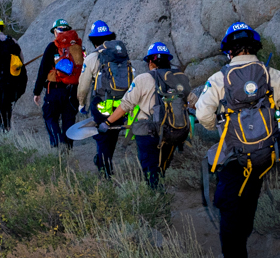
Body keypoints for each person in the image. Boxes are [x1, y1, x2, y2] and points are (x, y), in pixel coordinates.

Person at [195, 22, 280, 258]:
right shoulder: (272, 74)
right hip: (264, 156)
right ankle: (241, 246)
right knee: (249, 199)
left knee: (228, 208)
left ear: (229, 51)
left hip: (234, 156)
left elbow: (202, 114)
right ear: (254, 47)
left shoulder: (220, 78)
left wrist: (218, 129)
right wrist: (277, 129)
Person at [100, 41, 188, 189]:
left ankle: (156, 203)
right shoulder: (180, 78)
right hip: (173, 132)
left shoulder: (143, 79)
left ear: (151, 62)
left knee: (150, 173)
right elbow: (193, 101)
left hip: (148, 134)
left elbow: (126, 106)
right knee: (161, 169)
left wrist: (107, 123)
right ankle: (159, 195)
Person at [77, 20, 133, 176]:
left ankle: (105, 170)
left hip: (102, 105)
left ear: (93, 40)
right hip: (120, 105)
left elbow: (83, 86)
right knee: (112, 134)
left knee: (101, 137)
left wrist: (82, 104)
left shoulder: (92, 58)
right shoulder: (122, 57)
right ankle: (106, 162)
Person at [33, 19, 83, 148]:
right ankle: (67, 147)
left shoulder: (52, 47)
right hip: (73, 90)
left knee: (50, 116)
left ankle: (56, 144)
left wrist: (36, 92)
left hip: (54, 90)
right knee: (69, 119)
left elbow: (43, 70)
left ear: (56, 32)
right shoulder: (78, 47)